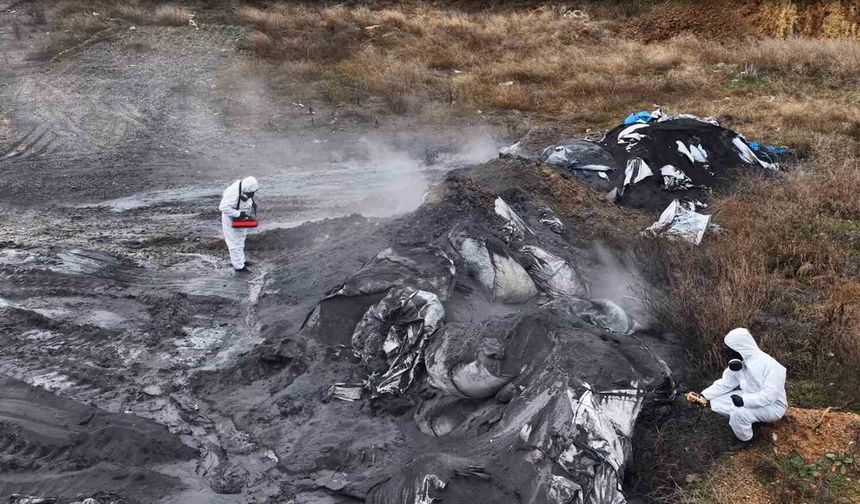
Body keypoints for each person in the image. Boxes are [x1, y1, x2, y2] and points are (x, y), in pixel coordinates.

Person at [700, 328, 787, 451]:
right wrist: (704, 395)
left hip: (773, 406)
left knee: (738, 412)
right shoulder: (738, 363)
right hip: (749, 397)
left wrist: (744, 401)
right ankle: (752, 421)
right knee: (716, 402)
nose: (727, 355)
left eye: (729, 351)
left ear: (740, 348)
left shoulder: (772, 367)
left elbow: (769, 396)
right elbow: (725, 384)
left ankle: (746, 438)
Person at [219, 176, 259, 273]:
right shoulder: (233, 193)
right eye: (250, 193)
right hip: (231, 218)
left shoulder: (243, 187)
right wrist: (239, 214)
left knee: (241, 239)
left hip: (240, 216)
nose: (252, 195)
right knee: (234, 243)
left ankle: (242, 261)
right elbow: (223, 207)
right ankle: (239, 267)